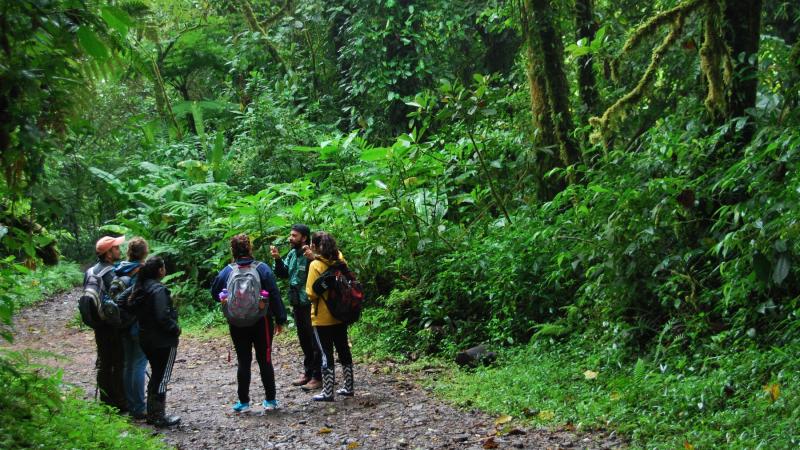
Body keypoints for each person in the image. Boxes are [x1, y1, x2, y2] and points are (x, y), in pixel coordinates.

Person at [211, 234, 287, 413]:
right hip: (262, 321)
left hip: (237, 322)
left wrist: (231, 301)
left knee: (243, 361)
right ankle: (270, 400)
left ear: (233, 251)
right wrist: (280, 319)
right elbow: (274, 295)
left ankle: (243, 402)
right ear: (250, 249)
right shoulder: (262, 269)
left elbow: (214, 293)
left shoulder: (227, 271)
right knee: (264, 360)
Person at [129, 256, 181, 427]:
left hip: (146, 338)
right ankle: (158, 415)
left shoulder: (140, 287)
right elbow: (162, 316)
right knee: (162, 377)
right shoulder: (158, 290)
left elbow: (124, 302)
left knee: (156, 375)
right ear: (160, 270)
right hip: (163, 341)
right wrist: (175, 328)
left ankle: (153, 413)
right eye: (163, 267)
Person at [271, 224, 322, 391]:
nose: (290, 238)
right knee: (304, 339)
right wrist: (278, 259)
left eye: (294, 235)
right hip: (297, 303)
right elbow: (283, 273)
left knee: (314, 341)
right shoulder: (292, 254)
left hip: (311, 303)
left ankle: (318, 376)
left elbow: (323, 272)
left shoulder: (311, 255)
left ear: (304, 238)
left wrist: (313, 259)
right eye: (290, 235)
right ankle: (308, 372)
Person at [305, 231, 355, 401]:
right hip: (341, 313)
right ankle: (348, 387)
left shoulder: (315, 265)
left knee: (326, 353)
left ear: (314, 246)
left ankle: (327, 392)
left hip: (322, 316)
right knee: (343, 349)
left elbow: (311, 293)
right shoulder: (340, 261)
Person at [109, 237, 149, 420]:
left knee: (128, 365)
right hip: (138, 323)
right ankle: (139, 407)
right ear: (144, 253)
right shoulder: (141, 272)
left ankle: (130, 403)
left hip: (122, 324)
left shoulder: (119, 270)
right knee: (140, 364)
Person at [85, 235, 127, 412]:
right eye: (116, 248)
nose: (119, 250)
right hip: (112, 325)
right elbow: (120, 300)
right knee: (117, 363)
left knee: (104, 361)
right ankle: (118, 402)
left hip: (98, 323)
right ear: (108, 254)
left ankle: (105, 400)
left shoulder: (90, 271)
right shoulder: (110, 274)